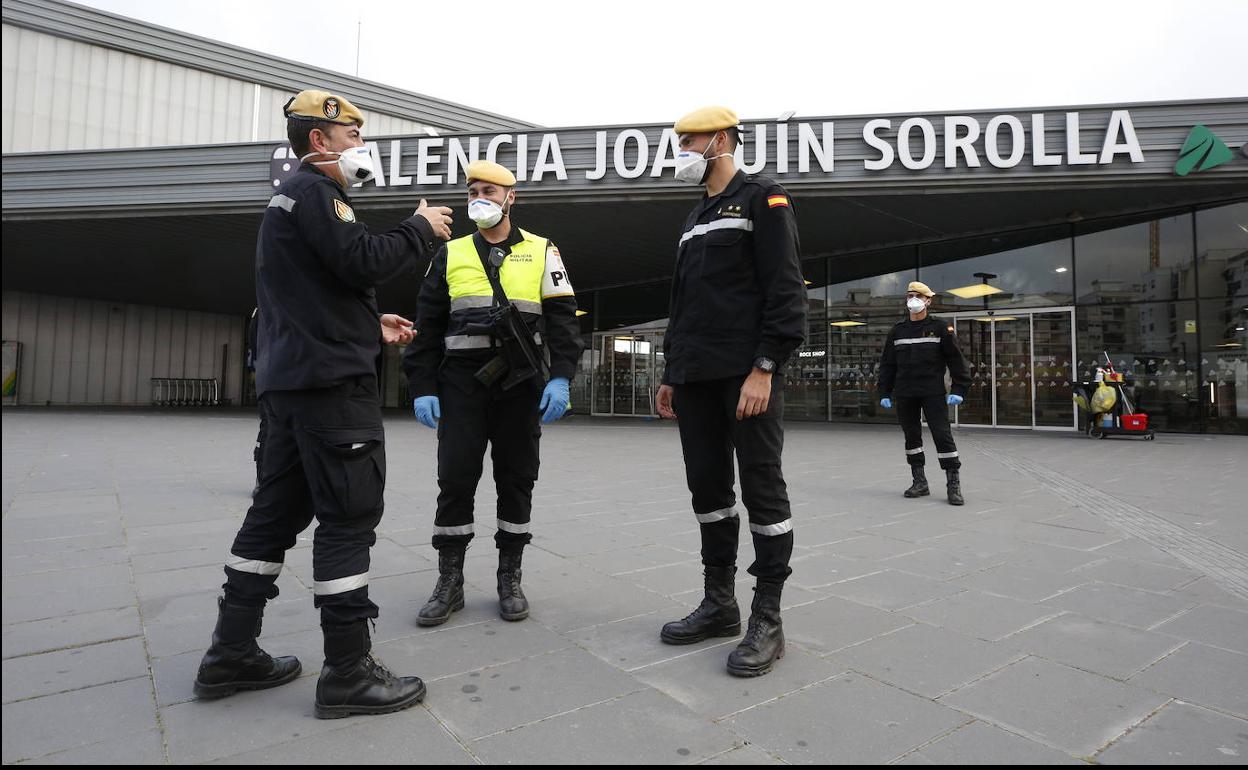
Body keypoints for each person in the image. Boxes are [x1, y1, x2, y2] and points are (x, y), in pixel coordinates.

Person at [192, 89, 454, 720]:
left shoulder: (285, 203)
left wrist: (370, 328)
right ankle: (348, 671)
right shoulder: (316, 194)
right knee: (348, 518)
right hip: (332, 395)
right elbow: (361, 259)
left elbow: (315, 296)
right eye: (353, 136)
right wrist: (419, 228)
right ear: (320, 141)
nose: (360, 146)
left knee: (273, 517)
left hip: (290, 388)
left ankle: (230, 652)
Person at [654, 106, 807, 678]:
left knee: (763, 489)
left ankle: (767, 616)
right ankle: (719, 603)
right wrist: (672, 371)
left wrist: (765, 367)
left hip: (745, 376)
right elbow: (682, 304)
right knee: (709, 490)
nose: (682, 149)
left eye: (689, 140)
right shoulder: (695, 217)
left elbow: (785, 289)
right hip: (694, 377)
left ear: (720, 139)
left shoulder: (765, 197)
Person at [403, 160, 582, 627]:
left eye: (488, 190)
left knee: (517, 478)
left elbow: (563, 323)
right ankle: (450, 581)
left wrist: (561, 377)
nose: (478, 198)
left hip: (519, 385)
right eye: (472, 192)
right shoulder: (450, 252)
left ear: (511, 198)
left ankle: (509, 576)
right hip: (461, 383)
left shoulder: (544, 251)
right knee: (456, 478)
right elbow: (427, 328)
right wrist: (423, 387)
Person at [876, 281, 972, 506]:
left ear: (928, 300)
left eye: (918, 296)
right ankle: (919, 481)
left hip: (932, 392)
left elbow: (956, 360)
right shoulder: (898, 330)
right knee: (912, 437)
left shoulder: (940, 328)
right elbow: (888, 364)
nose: (913, 299)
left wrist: (959, 388)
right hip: (905, 392)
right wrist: (884, 391)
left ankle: (953, 484)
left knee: (942, 435)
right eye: (910, 295)